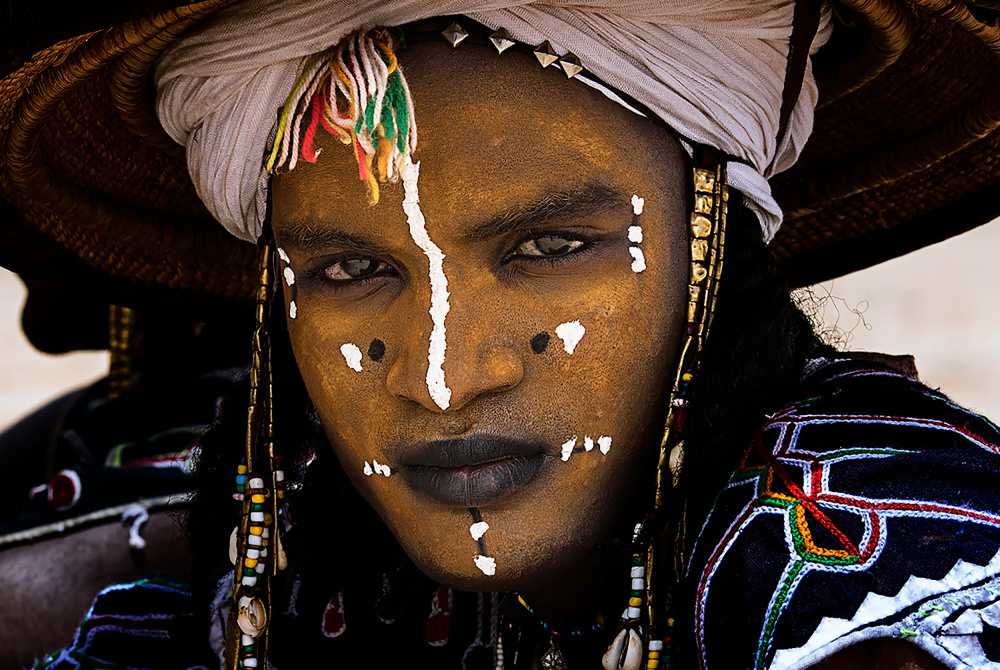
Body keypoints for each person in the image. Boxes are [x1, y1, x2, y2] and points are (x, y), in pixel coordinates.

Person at [1, 1, 999, 669]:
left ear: (712, 244)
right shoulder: (305, 532)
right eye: (349, 271)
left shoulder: (879, 544)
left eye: (550, 244)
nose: (443, 379)